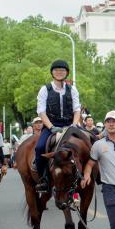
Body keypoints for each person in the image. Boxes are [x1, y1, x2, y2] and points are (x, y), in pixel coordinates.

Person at [34, 60, 82, 193]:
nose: (59, 72)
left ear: (66, 73)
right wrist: (50, 127)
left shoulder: (72, 89)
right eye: (56, 70)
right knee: (39, 148)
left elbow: (77, 109)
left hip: (70, 124)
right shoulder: (45, 89)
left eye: (62, 70)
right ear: (52, 72)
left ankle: (94, 175)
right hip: (51, 125)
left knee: (91, 140)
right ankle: (43, 179)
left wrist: (74, 124)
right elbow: (41, 111)